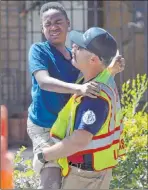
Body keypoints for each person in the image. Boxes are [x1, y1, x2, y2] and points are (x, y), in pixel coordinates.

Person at [27, 2, 124, 189]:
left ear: (68, 23)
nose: (53, 27)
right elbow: (44, 82)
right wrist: (78, 89)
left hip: (67, 127)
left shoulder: (76, 57)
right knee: (52, 178)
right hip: (45, 125)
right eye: (47, 24)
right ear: (42, 28)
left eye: (58, 21)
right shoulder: (39, 51)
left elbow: (92, 75)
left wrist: (110, 70)